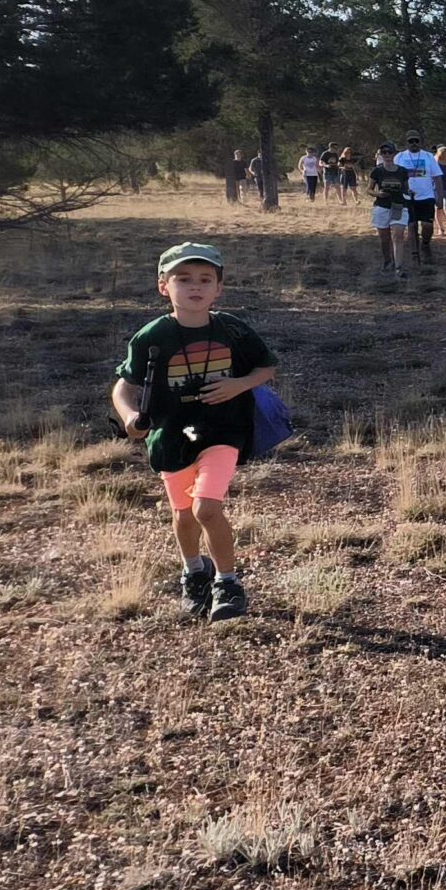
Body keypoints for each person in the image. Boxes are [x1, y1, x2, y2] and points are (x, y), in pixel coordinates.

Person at [111, 242, 277, 624]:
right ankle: (193, 572)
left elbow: (266, 369)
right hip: (170, 436)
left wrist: (238, 385)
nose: (195, 287)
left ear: (219, 288)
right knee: (184, 514)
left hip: (224, 431)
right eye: (183, 279)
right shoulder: (152, 336)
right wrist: (130, 416)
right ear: (163, 286)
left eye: (205, 279)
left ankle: (228, 583)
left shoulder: (232, 329)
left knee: (206, 507)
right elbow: (123, 386)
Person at [367, 140, 412, 280]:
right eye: (384, 152)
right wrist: (378, 194)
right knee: (384, 238)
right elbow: (369, 189)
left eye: (389, 152)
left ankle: (399, 267)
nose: (387, 155)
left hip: (399, 205)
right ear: (380, 154)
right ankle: (388, 261)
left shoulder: (402, 171)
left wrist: (410, 193)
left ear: (394, 154)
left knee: (398, 235)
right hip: (382, 206)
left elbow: (406, 188)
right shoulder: (377, 171)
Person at [395, 132, 442, 265]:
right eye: (411, 141)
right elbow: (394, 174)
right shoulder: (400, 157)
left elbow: (437, 177)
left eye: (416, 141)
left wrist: (440, 197)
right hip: (407, 197)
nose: (414, 143)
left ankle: (425, 243)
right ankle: (414, 253)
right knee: (412, 225)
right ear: (406, 143)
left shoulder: (428, 156)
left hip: (427, 196)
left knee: (427, 225)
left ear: (420, 142)